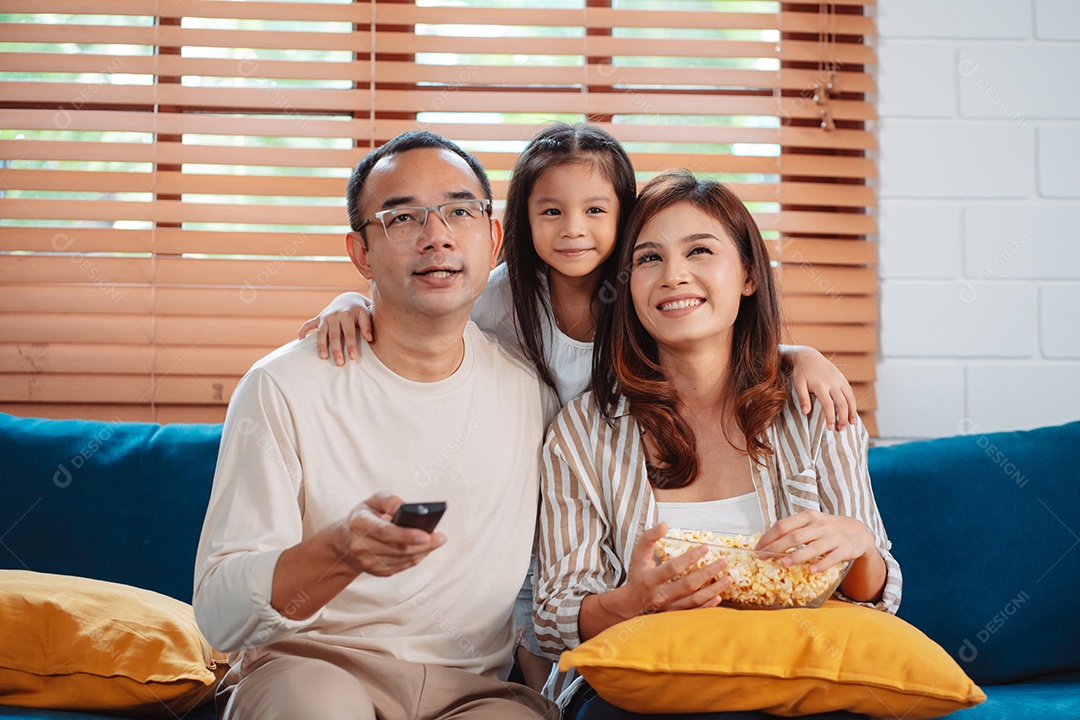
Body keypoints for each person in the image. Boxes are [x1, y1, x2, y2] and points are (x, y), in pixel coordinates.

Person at [193, 131, 560, 720]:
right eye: (401, 217)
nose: (436, 235)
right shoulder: (282, 386)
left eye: (459, 211)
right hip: (312, 668)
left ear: (492, 239)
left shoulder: (532, 394)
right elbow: (218, 612)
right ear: (361, 253)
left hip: (472, 690)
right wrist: (340, 552)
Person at [534, 170, 903, 719]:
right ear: (628, 283)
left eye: (700, 250)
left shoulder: (815, 409)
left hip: (797, 674)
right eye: (650, 258)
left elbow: (878, 601)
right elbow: (554, 614)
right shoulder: (582, 432)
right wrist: (632, 602)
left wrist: (860, 545)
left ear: (749, 275)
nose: (674, 276)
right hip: (647, 686)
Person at [297, 122, 860, 430]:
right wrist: (352, 301)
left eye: (595, 211)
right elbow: (422, 315)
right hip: (515, 480)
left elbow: (711, 346)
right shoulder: (498, 299)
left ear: (626, 215)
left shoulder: (646, 297)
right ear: (520, 220)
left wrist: (793, 355)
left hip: (611, 487)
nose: (573, 230)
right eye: (551, 212)